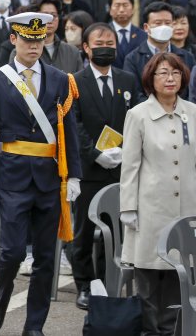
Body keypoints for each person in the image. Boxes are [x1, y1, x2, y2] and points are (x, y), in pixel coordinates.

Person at [0, 12, 82, 335]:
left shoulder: (61, 79)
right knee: (10, 252)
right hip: (11, 175)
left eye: (39, 40)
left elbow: (70, 133)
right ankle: (1, 295)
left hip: (50, 178)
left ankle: (34, 325)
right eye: (27, 40)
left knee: (45, 258)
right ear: (14, 40)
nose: (34, 46)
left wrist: (74, 175)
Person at [120, 51, 196, 334]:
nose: (170, 79)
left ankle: (170, 330)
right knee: (147, 277)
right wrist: (128, 207)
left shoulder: (194, 113)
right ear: (150, 79)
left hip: (188, 208)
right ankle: (148, 330)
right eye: (163, 73)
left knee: (177, 278)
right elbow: (130, 166)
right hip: (150, 209)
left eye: (176, 73)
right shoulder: (138, 115)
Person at [70, 23, 142, 310]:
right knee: (85, 231)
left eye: (111, 43)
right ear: (86, 47)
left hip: (120, 169)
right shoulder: (74, 81)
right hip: (89, 170)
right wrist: (95, 153)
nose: (106, 47)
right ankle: (85, 284)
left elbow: (136, 118)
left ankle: (107, 280)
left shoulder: (127, 79)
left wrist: (124, 151)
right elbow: (73, 124)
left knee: (115, 230)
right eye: (99, 42)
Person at [124, 2, 196, 89]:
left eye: (168, 23)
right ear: (146, 27)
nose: (164, 27)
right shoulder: (133, 59)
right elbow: (135, 93)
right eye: (158, 23)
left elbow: (192, 90)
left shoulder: (187, 57)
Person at [110, 0, 147, 69]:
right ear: (110, 9)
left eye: (125, 5)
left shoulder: (143, 36)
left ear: (133, 8)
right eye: (117, 5)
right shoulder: (102, 34)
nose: (121, 10)